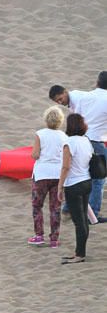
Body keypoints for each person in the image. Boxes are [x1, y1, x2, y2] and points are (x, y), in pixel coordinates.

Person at [49, 71, 107, 220]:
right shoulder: (84, 97)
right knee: (99, 178)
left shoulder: (85, 96)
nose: (60, 102)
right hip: (94, 141)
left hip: (84, 140)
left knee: (81, 172)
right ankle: (92, 212)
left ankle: (69, 207)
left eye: (60, 99)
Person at [58, 113, 93, 264]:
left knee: (79, 221)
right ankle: (80, 252)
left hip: (74, 184)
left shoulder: (69, 142)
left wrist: (60, 186)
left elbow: (66, 166)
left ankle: (80, 254)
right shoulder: (86, 141)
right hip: (86, 181)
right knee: (83, 219)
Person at [27, 107, 65, 248]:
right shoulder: (63, 136)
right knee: (55, 207)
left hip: (42, 173)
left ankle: (39, 235)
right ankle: (54, 239)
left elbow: (35, 155)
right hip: (58, 174)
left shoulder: (40, 134)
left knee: (37, 205)